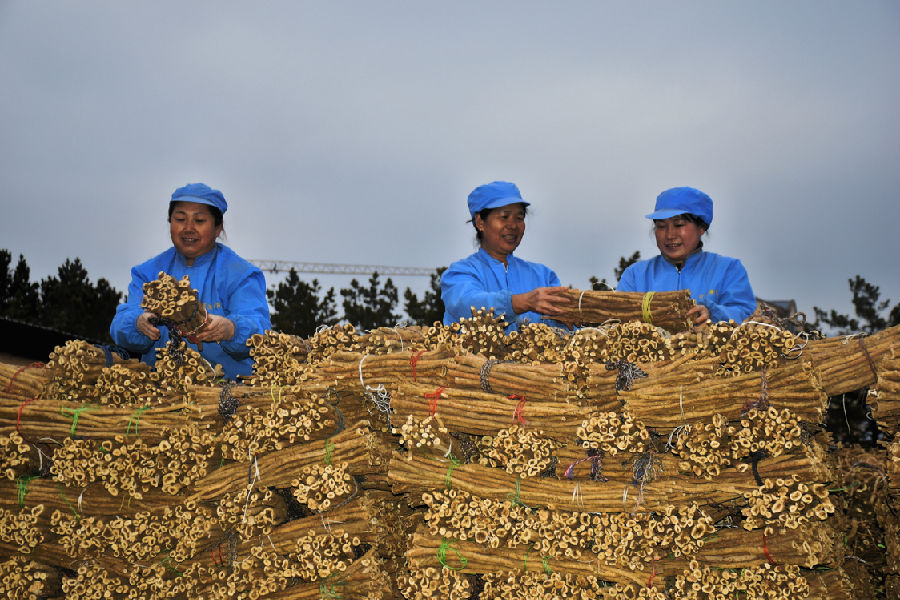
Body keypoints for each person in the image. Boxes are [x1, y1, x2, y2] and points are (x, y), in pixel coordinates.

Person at [110, 183, 271, 379]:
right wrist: (137, 323)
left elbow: (259, 332)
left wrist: (230, 330)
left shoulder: (240, 274)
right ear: (170, 222)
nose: (188, 228)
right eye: (180, 219)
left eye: (199, 220)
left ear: (218, 227)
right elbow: (121, 326)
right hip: (161, 390)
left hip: (227, 390)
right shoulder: (148, 273)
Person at [441, 180, 570, 331]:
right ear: (480, 222)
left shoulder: (543, 276)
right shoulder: (459, 274)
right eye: (504, 217)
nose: (513, 225)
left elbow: (562, 329)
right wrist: (519, 302)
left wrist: (571, 318)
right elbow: (467, 304)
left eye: (519, 218)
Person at [617, 186, 756, 326]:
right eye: (661, 226)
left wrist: (713, 313)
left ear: (702, 228)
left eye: (679, 225)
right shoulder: (636, 275)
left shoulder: (728, 270)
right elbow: (617, 316)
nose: (669, 235)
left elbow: (747, 315)